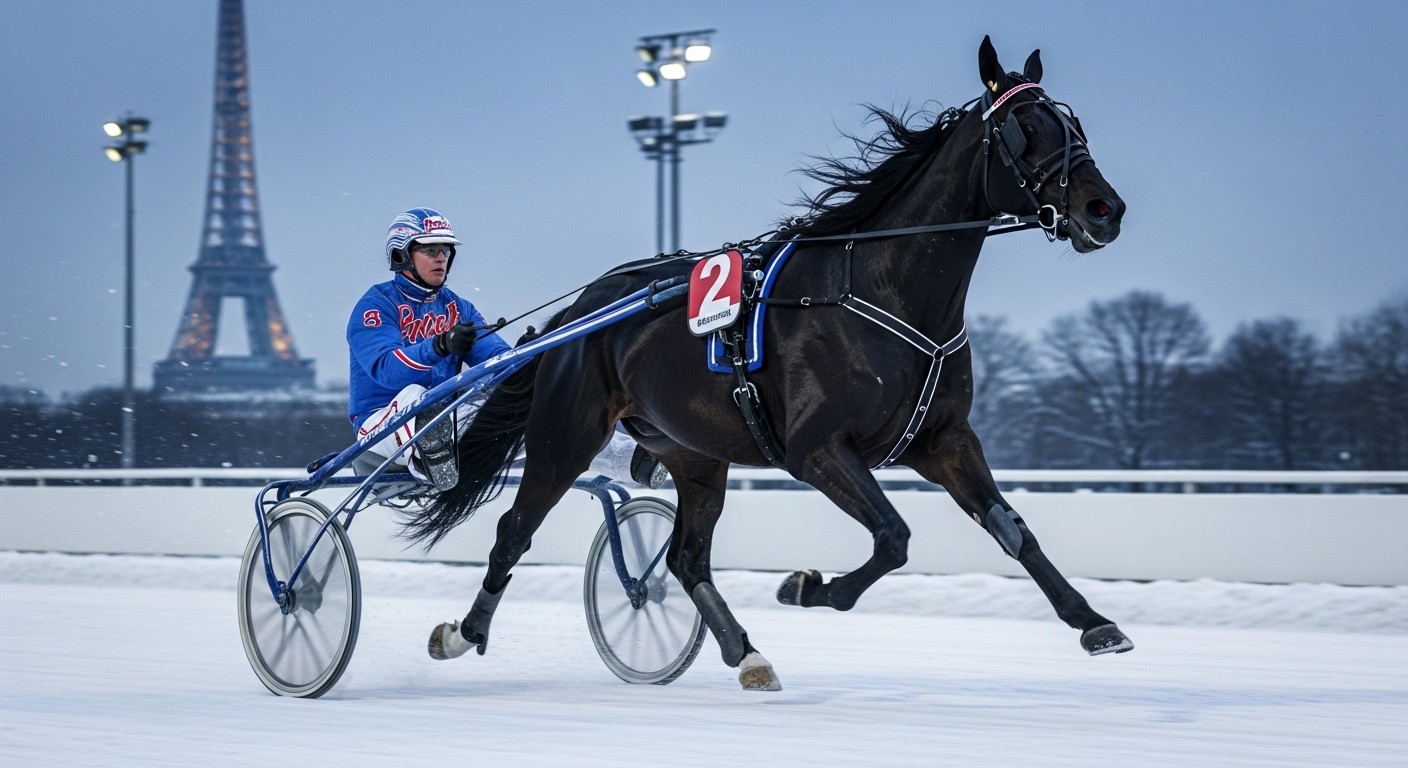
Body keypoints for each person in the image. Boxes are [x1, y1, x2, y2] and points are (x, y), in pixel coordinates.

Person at [346, 207, 665, 491]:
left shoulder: (458, 308)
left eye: (445, 249)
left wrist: (526, 357)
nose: (442, 257)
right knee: (417, 396)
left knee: (535, 409)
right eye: (431, 250)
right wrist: (439, 346)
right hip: (381, 429)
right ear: (402, 255)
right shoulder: (375, 306)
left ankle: (631, 460)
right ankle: (432, 459)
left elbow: (496, 364)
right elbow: (386, 370)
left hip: (445, 418)